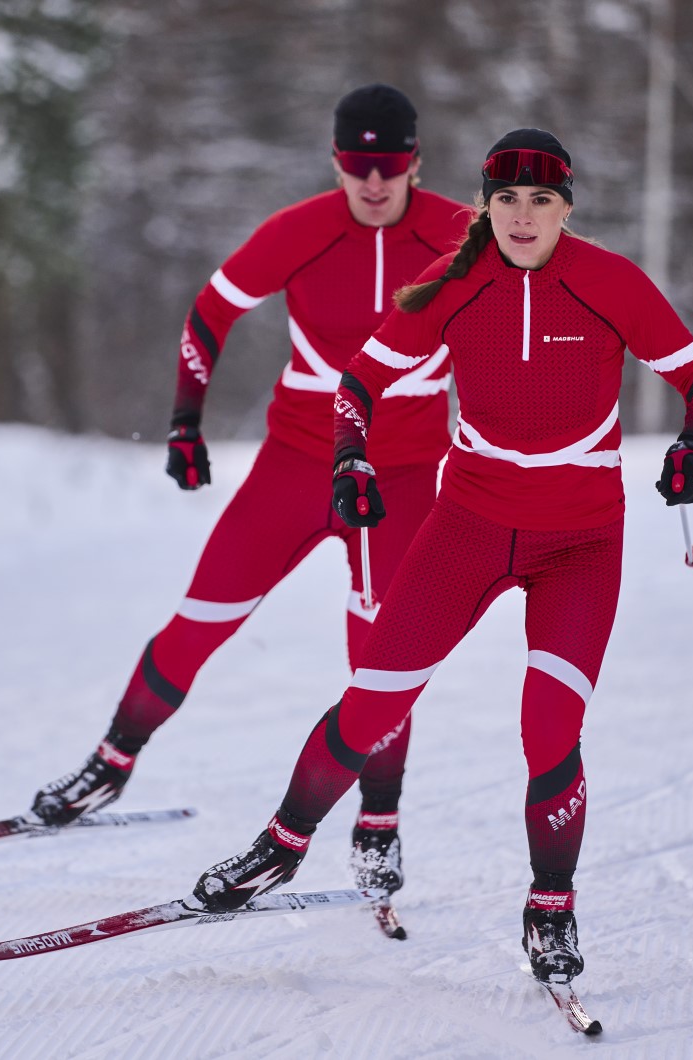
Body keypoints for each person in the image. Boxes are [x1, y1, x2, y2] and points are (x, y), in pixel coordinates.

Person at [189, 128, 693, 987]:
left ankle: (551, 907)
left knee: (548, 728)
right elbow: (359, 384)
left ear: (566, 209)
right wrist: (349, 458)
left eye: (541, 201)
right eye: (505, 199)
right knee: (372, 701)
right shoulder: (452, 282)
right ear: (485, 204)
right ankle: (279, 848)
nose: (521, 217)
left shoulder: (610, 283)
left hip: (579, 543)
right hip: (468, 526)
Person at [31, 85, 473, 900]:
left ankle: (379, 821)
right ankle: (110, 763)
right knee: (203, 615)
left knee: (383, 661)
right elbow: (211, 311)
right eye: (355, 165)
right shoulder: (300, 230)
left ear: (416, 159)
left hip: (404, 473)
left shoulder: (460, 232)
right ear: (335, 161)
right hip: (299, 461)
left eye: (391, 164)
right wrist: (184, 423)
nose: (373, 183)